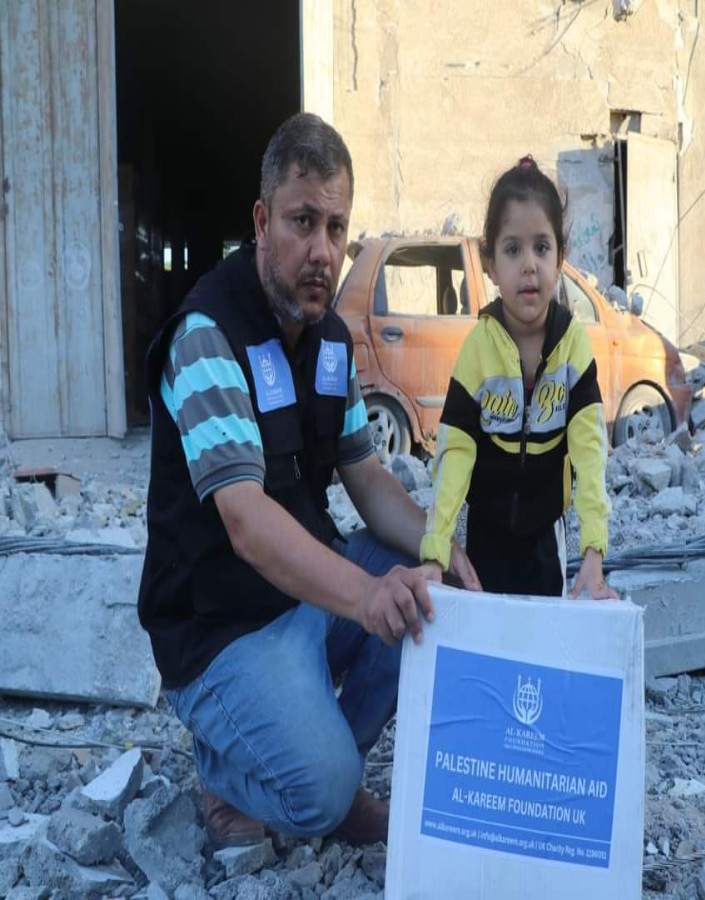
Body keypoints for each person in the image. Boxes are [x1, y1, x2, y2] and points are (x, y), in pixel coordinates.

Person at [137, 112, 479, 849]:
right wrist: (365, 596)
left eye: (336, 227)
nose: (322, 250)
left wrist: (438, 543)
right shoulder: (208, 336)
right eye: (302, 222)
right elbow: (246, 522)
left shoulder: (329, 341)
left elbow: (366, 477)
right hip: (221, 628)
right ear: (262, 222)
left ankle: (328, 776)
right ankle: (232, 774)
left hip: (301, 602)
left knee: (430, 592)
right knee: (317, 793)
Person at [420, 156, 619, 601]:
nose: (529, 265)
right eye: (512, 250)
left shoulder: (573, 346)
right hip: (486, 537)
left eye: (541, 248)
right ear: (489, 263)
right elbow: (454, 455)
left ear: (561, 257)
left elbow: (589, 453)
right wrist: (435, 552)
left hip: (546, 538)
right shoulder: (477, 350)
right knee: (490, 639)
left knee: (541, 641)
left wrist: (593, 553)